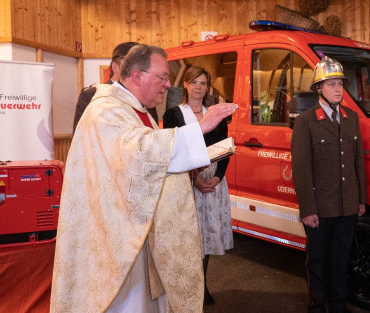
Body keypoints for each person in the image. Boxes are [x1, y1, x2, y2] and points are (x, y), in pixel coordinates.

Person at [50, 44, 238, 312]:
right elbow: (141, 151)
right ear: (137, 76)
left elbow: (150, 159)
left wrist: (189, 166)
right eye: (162, 77)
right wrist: (201, 127)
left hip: (136, 225)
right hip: (116, 235)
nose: (167, 85)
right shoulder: (105, 110)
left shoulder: (137, 110)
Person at [291, 56, 367, 313]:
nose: (337, 89)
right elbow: (301, 170)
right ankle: (316, 305)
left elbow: (358, 163)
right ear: (318, 89)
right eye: (331, 84)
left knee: (341, 259)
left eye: (340, 84)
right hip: (320, 208)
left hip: (347, 205)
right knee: (318, 260)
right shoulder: (306, 122)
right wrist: (308, 209)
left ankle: (338, 305)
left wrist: (360, 200)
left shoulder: (351, 118)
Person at [162, 66, 233, 306]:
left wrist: (218, 177)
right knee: (189, 236)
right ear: (187, 85)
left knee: (206, 236)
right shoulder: (174, 114)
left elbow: (225, 149)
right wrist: (194, 179)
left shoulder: (215, 113)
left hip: (212, 180)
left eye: (203, 83)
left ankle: (201, 285)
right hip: (186, 180)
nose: (199, 87)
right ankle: (187, 286)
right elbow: (170, 151)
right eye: (195, 82)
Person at [72, 41, 159, 132]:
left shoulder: (145, 97)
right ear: (115, 67)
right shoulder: (92, 95)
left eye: (143, 67)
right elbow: (80, 136)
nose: (138, 72)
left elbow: (153, 134)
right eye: (131, 65)